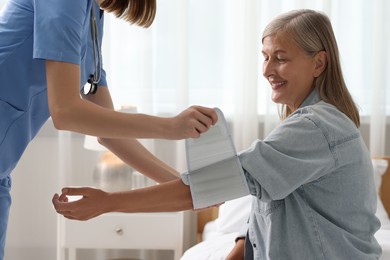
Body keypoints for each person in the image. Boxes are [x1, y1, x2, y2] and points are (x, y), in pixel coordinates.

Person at [53, 9, 382, 260]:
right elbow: (263, 213)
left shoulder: (317, 127)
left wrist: (108, 202)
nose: (267, 70)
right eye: (265, 57)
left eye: (281, 59)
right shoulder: (308, 126)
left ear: (319, 63)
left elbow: (213, 186)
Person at [0, 0, 217, 258]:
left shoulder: (93, 16)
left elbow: (109, 133)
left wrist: (186, 188)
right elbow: (65, 111)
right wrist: (171, 127)